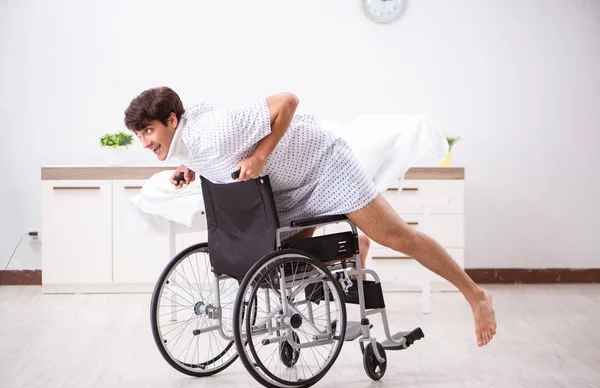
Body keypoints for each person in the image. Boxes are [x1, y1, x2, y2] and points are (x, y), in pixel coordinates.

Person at [124, 86, 497, 347]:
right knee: (281, 265)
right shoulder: (189, 139)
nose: (145, 143)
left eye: (148, 132)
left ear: (172, 120)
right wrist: (190, 167)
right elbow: (209, 150)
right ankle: (355, 255)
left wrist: (260, 157)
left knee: (398, 237)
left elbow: (288, 100)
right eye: (139, 135)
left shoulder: (215, 131)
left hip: (323, 165)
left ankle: (476, 296)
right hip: (284, 186)